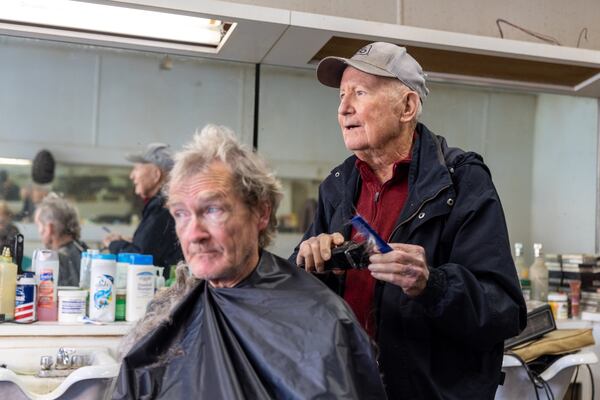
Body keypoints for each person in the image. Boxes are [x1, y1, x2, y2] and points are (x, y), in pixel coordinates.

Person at [291, 42, 527, 399]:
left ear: (407, 106)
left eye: (359, 93)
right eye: (341, 95)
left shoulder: (462, 181)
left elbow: (504, 310)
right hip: (345, 388)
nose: (343, 108)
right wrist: (310, 265)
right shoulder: (336, 187)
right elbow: (309, 304)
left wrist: (432, 284)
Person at [112, 125, 386, 399]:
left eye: (212, 210)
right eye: (181, 214)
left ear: (261, 213)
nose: (194, 234)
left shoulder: (323, 322)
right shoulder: (166, 316)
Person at [103, 143, 183, 272]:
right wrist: (135, 242)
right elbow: (151, 248)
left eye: (136, 168)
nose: (132, 175)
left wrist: (114, 244)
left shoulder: (162, 208)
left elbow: (141, 258)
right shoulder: (163, 205)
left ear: (156, 174)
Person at [34, 193, 87, 286]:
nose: (39, 232)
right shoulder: (86, 252)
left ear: (48, 229)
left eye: (39, 226)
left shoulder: (51, 264)